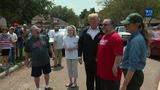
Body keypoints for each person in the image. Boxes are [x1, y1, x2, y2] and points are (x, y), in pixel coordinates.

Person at [120, 13, 150, 90]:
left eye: (128, 24)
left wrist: (124, 85)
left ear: (136, 25)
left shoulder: (136, 41)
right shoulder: (135, 37)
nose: (125, 26)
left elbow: (132, 66)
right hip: (134, 76)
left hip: (133, 77)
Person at [78, 13, 103, 90]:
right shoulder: (84, 31)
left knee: (99, 79)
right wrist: (79, 55)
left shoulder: (102, 31)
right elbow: (80, 44)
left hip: (99, 60)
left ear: (98, 20)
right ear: (89, 21)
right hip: (88, 59)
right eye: (91, 20)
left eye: (94, 20)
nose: (93, 22)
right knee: (89, 78)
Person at [97, 19, 124, 90]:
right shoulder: (104, 36)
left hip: (111, 75)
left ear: (112, 26)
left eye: (105, 25)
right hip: (103, 72)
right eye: (102, 25)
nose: (103, 26)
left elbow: (119, 55)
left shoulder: (116, 37)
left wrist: (115, 67)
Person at [25, 25, 54, 90]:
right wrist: (27, 60)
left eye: (38, 29)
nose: (38, 31)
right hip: (36, 62)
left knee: (47, 73)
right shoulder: (29, 41)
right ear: (32, 32)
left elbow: (49, 46)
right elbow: (26, 51)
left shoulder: (44, 37)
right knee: (36, 75)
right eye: (36, 30)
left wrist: (53, 54)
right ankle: (37, 88)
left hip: (45, 60)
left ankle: (47, 86)